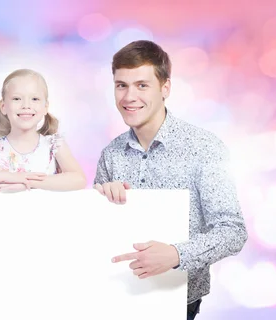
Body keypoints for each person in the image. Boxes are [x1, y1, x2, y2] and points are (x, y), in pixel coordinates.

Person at [93, 40, 247, 320]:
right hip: (114, 300)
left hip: (176, 303)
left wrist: (177, 255)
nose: (129, 96)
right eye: (121, 85)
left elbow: (232, 231)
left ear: (165, 88)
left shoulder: (205, 148)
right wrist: (99, 196)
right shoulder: (110, 155)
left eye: (142, 85)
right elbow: (96, 234)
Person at [0, 68, 85, 192]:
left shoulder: (53, 145)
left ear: (45, 107)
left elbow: (78, 179)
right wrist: (8, 177)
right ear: (4, 106)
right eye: (17, 98)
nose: (26, 105)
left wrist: (26, 182)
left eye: (35, 99)